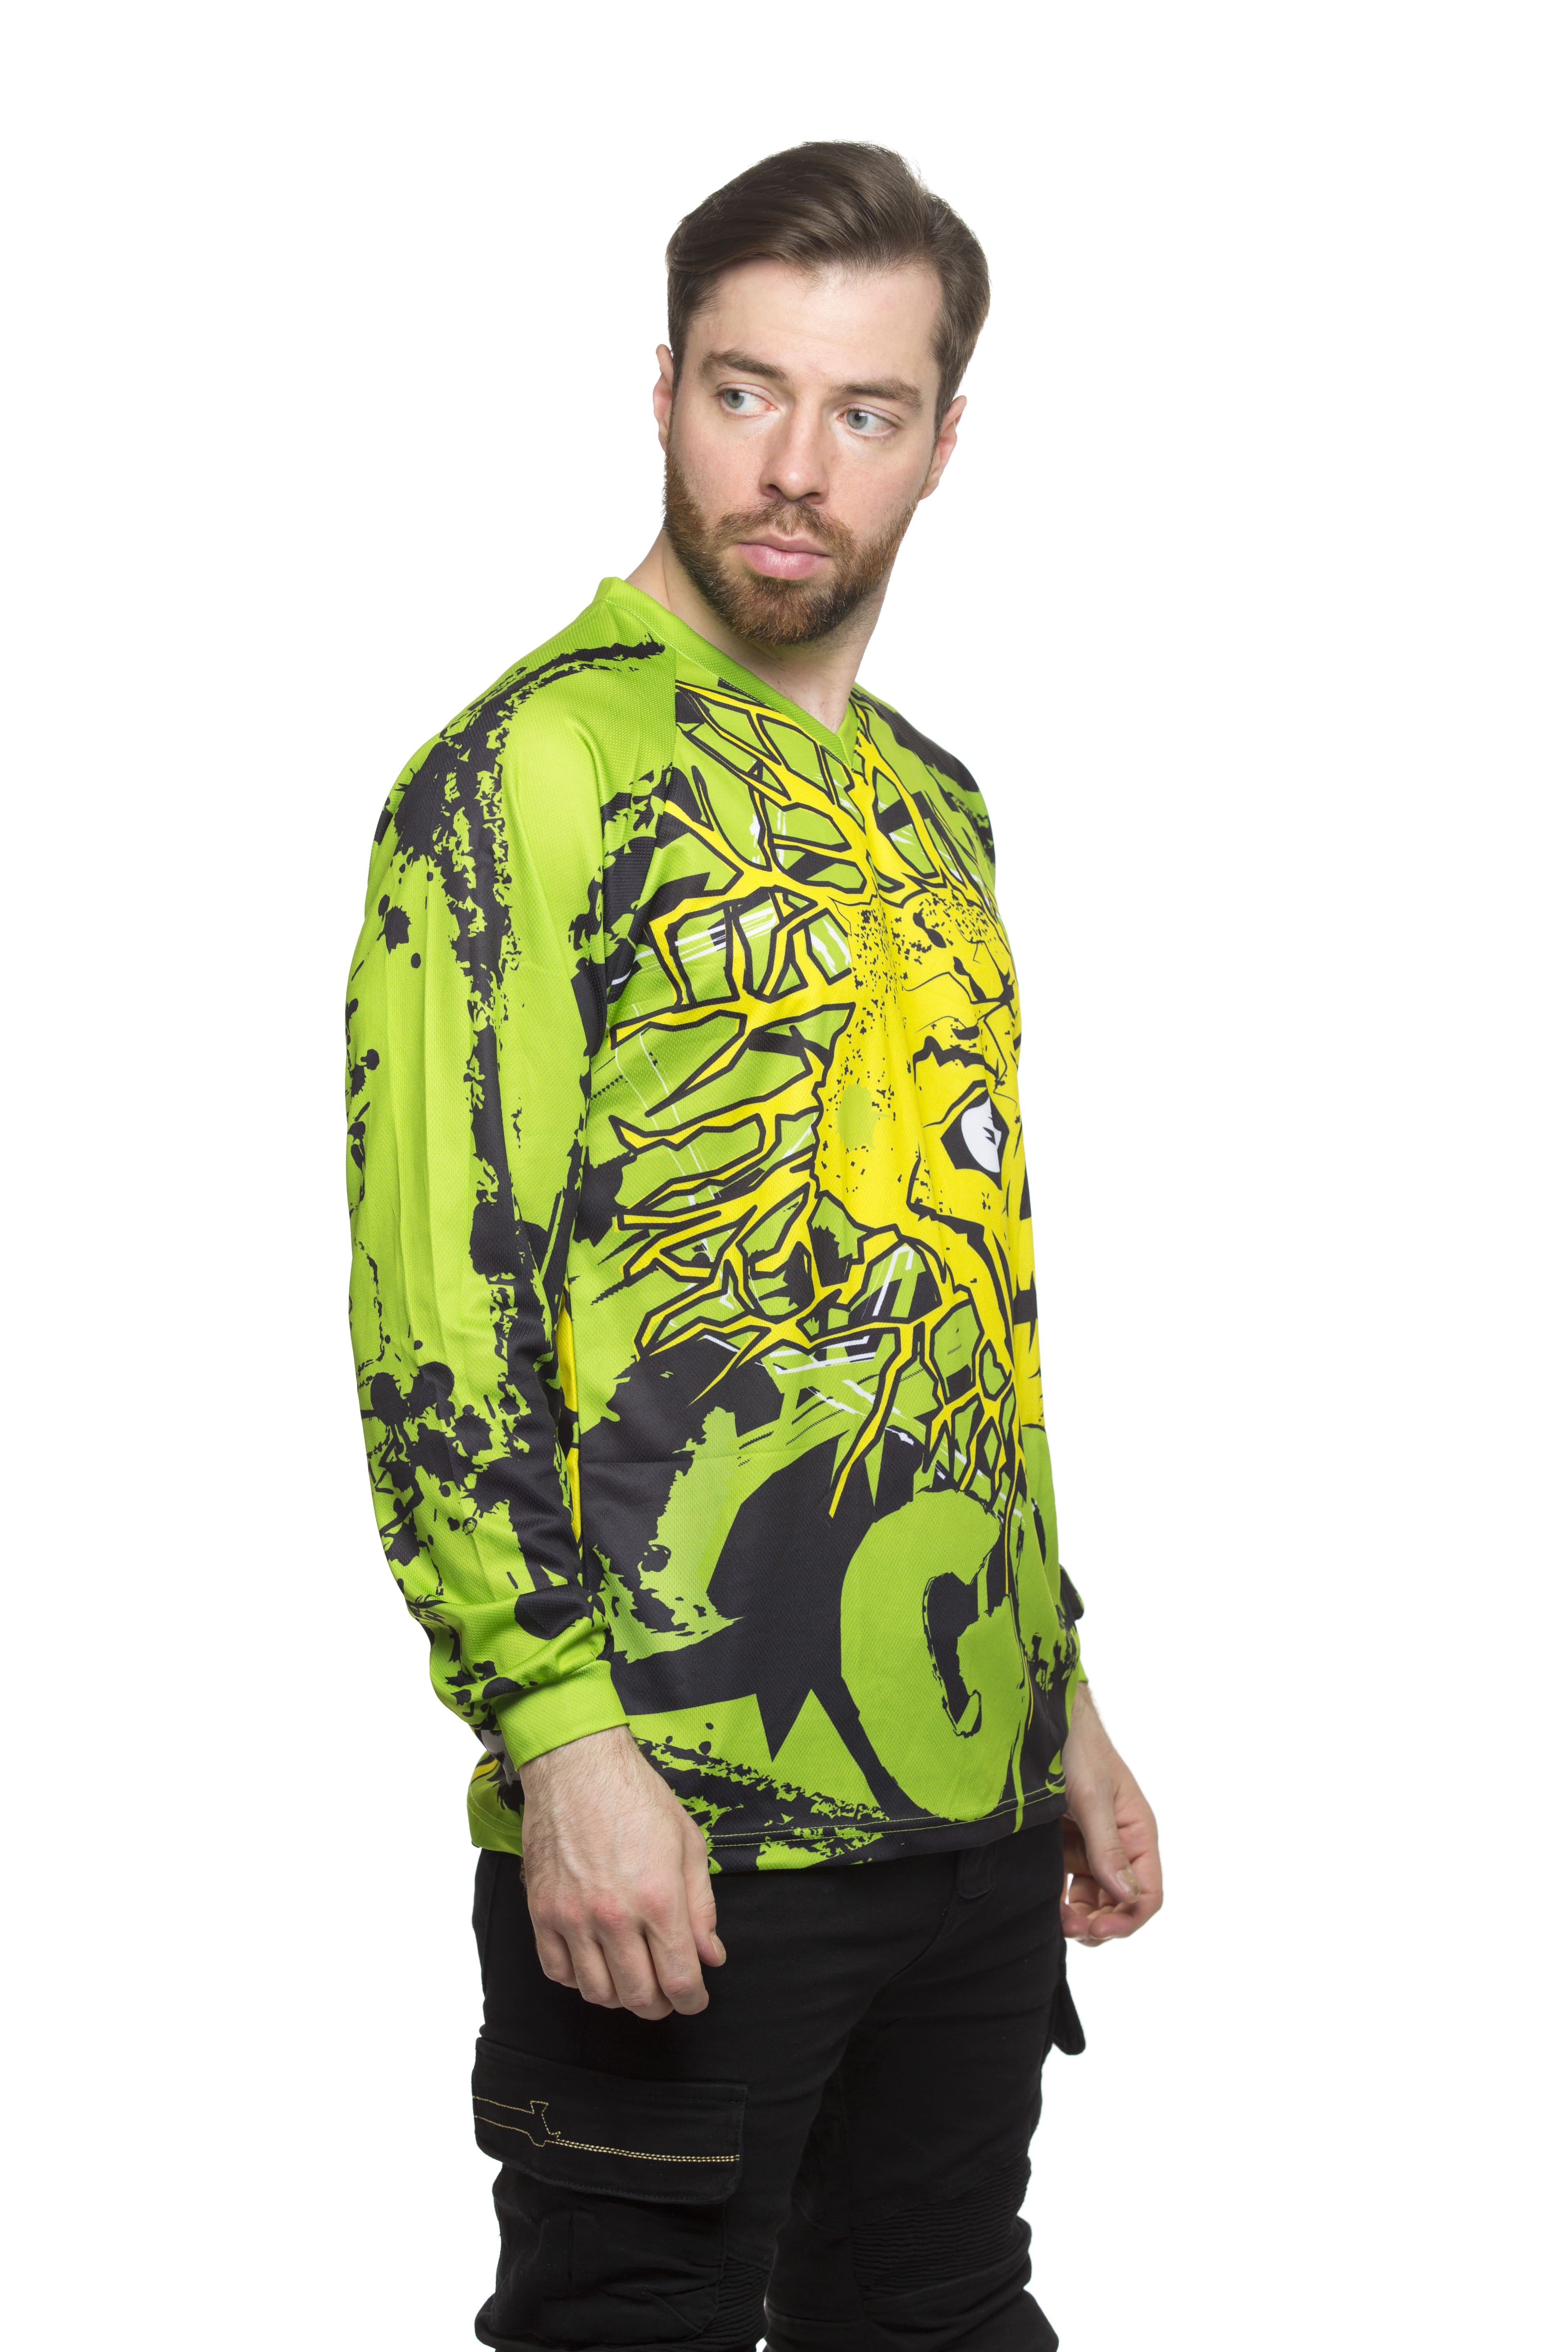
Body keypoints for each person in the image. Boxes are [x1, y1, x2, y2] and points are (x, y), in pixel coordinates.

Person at [346, 140, 1162, 2352]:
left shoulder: (935, 801)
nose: (796, 468)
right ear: (665, 393)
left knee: (945, 2314)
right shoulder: (531, 772)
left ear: (942, 439)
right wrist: (562, 1739)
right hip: (681, 1820)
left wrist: (1061, 1697)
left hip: (963, 1804)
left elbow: (966, 1284)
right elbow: (441, 1310)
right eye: (746, 393)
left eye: (863, 410)